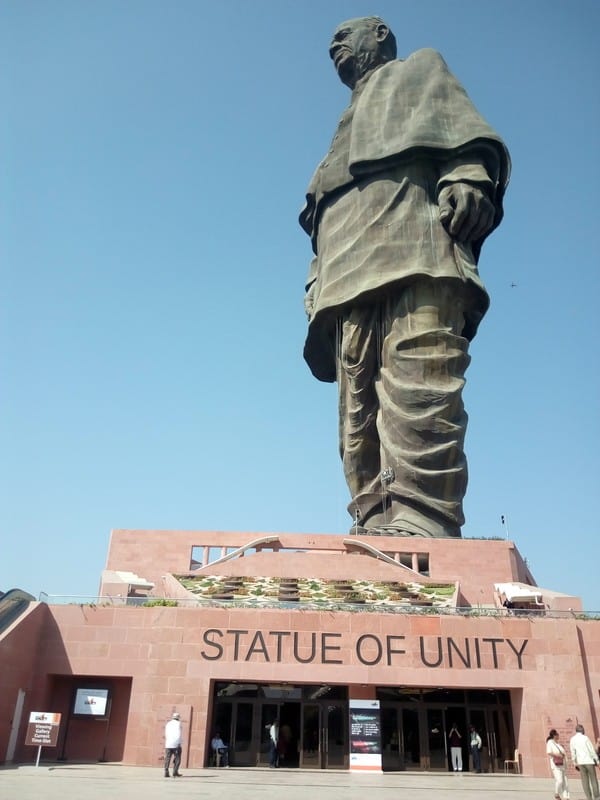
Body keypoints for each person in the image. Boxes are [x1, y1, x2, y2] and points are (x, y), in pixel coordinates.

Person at [300, 17, 510, 538]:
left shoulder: (419, 70)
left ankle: (423, 518)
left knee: (419, 374)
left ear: (380, 33)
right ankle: (372, 518)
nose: (335, 44)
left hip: (414, 240)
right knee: (357, 405)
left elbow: (461, 133)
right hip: (346, 264)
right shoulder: (338, 129)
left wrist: (467, 176)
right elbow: (322, 205)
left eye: (346, 34)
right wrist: (315, 277)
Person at [570, 724, 599, 800]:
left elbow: (573, 752)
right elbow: (591, 750)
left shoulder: (572, 739)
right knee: (593, 779)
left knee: (585, 781)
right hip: (589, 761)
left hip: (580, 762)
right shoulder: (585, 738)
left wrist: (574, 762)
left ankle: (589, 798)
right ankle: (597, 797)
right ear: (582, 730)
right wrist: (597, 760)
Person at [546, 729, 570, 800]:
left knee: (565, 782)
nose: (558, 735)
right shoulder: (550, 743)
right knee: (560, 781)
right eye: (557, 734)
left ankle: (566, 797)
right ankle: (556, 793)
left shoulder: (558, 744)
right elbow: (549, 752)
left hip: (563, 764)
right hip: (556, 765)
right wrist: (558, 755)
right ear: (554, 735)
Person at [164, 711, 183, 778]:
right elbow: (179, 734)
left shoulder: (168, 724)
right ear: (178, 718)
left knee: (167, 758)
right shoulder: (179, 724)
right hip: (176, 744)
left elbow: (166, 734)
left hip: (168, 744)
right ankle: (175, 772)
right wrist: (179, 743)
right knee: (177, 759)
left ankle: (166, 771)